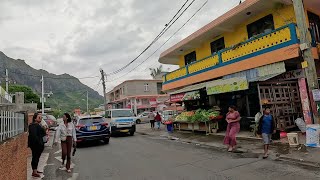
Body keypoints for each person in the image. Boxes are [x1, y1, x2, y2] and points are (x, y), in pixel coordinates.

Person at [28, 113, 46, 178]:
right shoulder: (33, 126)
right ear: (35, 118)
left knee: (37, 157)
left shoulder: (38, 125)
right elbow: (34, 136)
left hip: (39, 144)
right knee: (35, 157)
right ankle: (34, 171)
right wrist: (39, 143)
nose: (40, 118)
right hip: (36, 145)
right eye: (39, 117)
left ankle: (35, 170)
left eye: (41, 117)